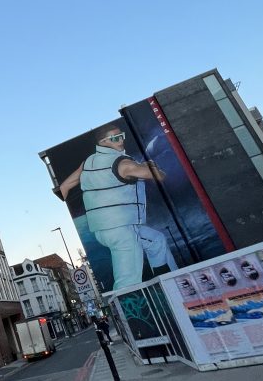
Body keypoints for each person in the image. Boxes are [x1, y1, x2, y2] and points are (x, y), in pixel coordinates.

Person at [58, 124, 177, 292]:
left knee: (157, 241)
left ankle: (170, 285)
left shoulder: (88, 162)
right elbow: (159, 175)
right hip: (122, 229)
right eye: (115, 138)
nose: (121, 140)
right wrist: (149, 166)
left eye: (121, 135)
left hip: (103, 230)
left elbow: (65, 186)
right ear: (103, 142)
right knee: (128, 281)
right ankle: (130, 315)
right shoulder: (123, 163)